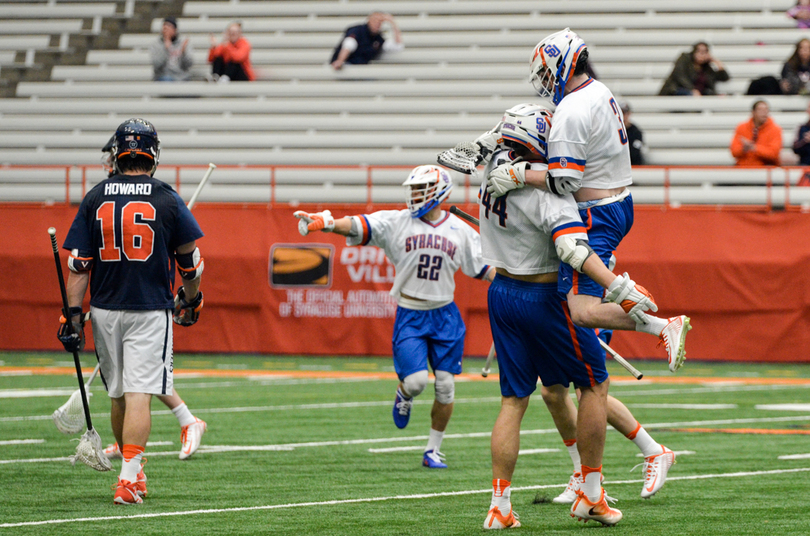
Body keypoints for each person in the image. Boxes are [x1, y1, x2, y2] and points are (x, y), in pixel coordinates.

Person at [474, 105, 671, 529]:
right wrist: (617, 285)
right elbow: (573, 251)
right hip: (544, 297)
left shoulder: (493, 161)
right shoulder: (551, 197)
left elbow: (480, 148)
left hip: (502, 290)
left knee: (513, 400)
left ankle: (500, 506)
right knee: (594, 386)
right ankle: (591, 495)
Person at [484, 28, 692, 375]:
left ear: (562, 65)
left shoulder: (572, 109)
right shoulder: (598, 90)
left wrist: (520, 174)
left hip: (596, 211)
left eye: (547, 72)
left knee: (581, 311)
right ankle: (613, 284)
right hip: (617, 201)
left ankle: (653, 317)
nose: (545, 80)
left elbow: (564, 180)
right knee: (577, 289)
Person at [294, 165, 493, 469]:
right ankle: (403, 393)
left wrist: (514, 279)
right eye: (413, 189)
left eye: (421, 189)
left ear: (439, 192)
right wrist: (328, 222)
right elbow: (359, 225)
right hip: (411, 313)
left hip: (445, 314)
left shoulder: (460, 230)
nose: (415, 195)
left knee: (445, 386)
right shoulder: (398, 221)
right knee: (415, 383)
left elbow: (484, 269)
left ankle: (433, 450)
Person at [58, 118, 205, 504]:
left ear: (118, 153)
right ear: (153, 154)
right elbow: (189, 264)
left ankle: (135, 474)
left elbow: (79, 266)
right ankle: (127, 480)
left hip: (105, 308)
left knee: (118, 394)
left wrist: (72, 315)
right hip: (149, 308)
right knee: (140, 393)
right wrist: (192, 298)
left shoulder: (95, 196)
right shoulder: (167, 197)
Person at [96, 136, 208, 461]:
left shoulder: (132, 195)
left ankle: (181, 424)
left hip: (140, 299)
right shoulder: (109, 193)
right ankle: (132, 442)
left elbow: (188, 257)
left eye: (110, 156)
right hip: (116, 298)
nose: (107, 163)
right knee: (132, 379)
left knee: (139, 378)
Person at [330, 12, 403, 70]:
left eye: (380, 22)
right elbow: (348, 45)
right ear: (369, 21)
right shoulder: (357, 30)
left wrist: (393, 23)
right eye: (375, 20)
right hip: (347, 64)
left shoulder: (378, 38)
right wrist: (340, 61)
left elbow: (398, 46)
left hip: (361, 68)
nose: (377, 24)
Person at [659, 42, 729, 96]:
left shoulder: (706, 68)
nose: (701, 54)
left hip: (697, 95)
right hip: (676, 91)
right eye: (699, 51)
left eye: (704, 52)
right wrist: (692, 89)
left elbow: (724, 77)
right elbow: (680, 76)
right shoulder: (684, 59)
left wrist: (716, 62)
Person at [730, 100, 782, 167]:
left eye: (766, 110)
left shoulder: (775, 129)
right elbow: (734, 152)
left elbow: (774, 153)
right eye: (760, 110)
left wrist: (754, 148)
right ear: (753, 112)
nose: (764, 112)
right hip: (743, 167)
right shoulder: (741, 127)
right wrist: (743, 148)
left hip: (765, 168)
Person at [149, 17, 193, 82]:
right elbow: (157, 65)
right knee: (166, 79)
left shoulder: (182, 43)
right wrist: (166, 50)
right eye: (164, 28)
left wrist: (183, 53)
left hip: (181, 77)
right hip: (163, 76)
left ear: (175, 30)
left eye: (169, 28)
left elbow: (188, 65)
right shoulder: (157, 45)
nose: (166, 31)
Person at [620, 102, 644, 166]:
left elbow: (635, 152)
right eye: (621, 113)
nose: (623, 116)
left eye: (625, 113)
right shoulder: (614, 130)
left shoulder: (636, 132)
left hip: (633, 165)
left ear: (629, 114)